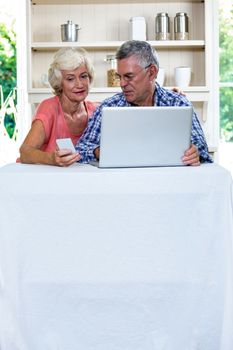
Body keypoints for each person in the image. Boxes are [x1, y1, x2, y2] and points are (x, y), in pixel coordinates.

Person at [76, 40, 213, 165]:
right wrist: (97, 151)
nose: (122, 84)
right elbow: (81, 149)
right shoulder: (109, 107)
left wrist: (195, 153)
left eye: (129, 76)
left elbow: (202, 149)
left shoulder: (179, 104)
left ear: (152, 72)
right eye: (120, 77)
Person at [19, 47, 98, 166]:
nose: (79, 84)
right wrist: (52, 158)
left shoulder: (95, 111)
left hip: (77, 178)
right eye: (70, 79)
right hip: (43, 177)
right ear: (59, 83)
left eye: (83, 76)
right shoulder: (49, 108)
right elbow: (25, 152)